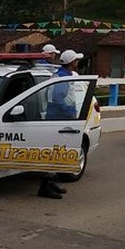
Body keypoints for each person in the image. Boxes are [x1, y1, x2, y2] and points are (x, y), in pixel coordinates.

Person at [37, 48, 83, 199]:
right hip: (59, 116)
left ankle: (50, 183)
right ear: (71, 63)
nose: (78, 62)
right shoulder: (63, 78)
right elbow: (57, 98)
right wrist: (68, 113)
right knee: (55, 153)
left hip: (56, 115)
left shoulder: (61, 75)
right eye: (76, 60)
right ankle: (45, 187)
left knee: (57, 152)